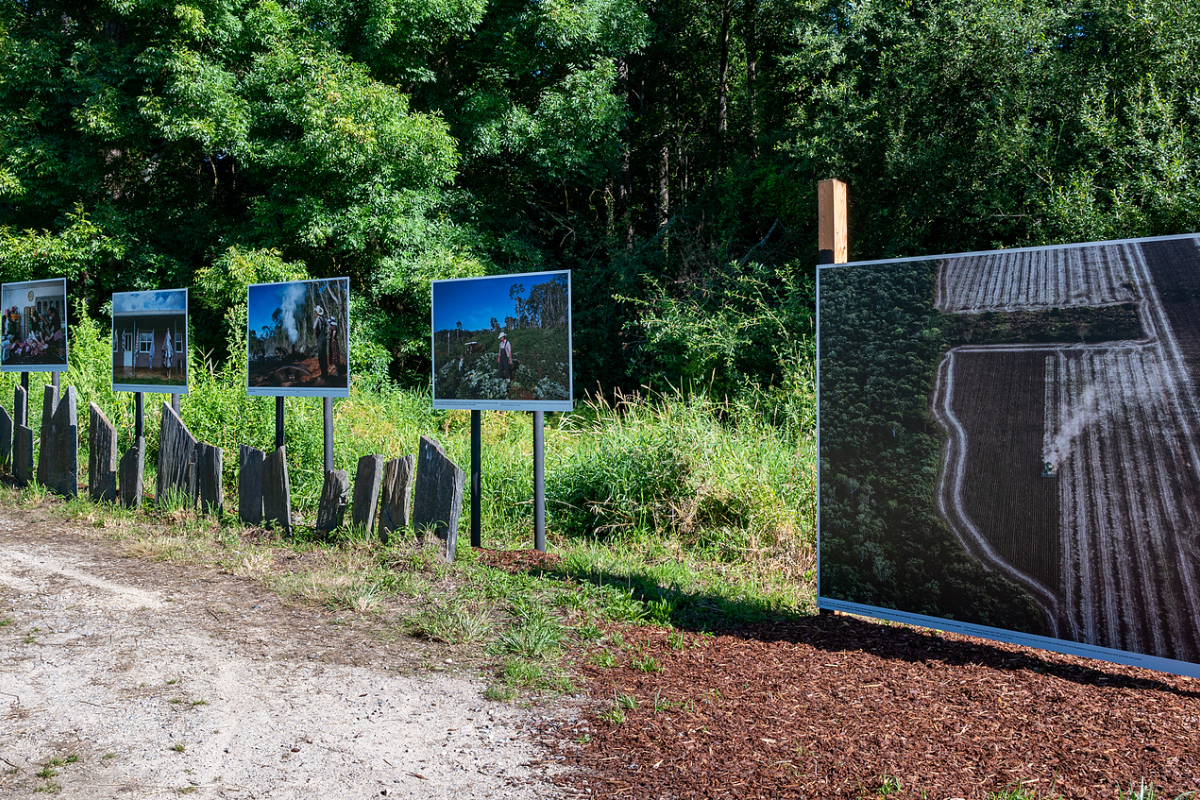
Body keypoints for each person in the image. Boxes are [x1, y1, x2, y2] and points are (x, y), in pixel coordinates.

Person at [313, 305, 328, 380]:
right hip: (324, 339)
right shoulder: (324, 319)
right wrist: (325, 334)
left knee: (321, 357)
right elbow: (328, 328)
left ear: (316, 313)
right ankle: (326, 373)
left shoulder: (317, 319)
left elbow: (314, 328)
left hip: (320, 340)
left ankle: (323, 374)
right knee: (324, 356)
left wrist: (317, 336)